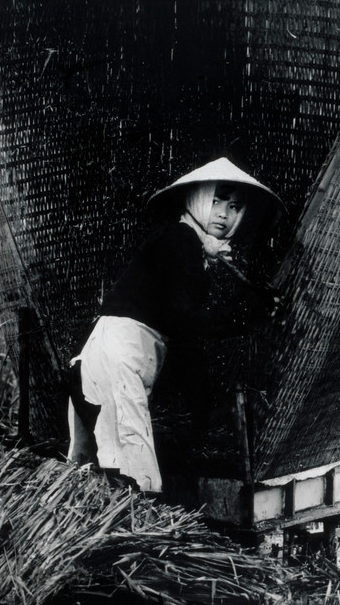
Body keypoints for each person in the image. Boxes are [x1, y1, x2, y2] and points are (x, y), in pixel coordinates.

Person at [67, 157, 283, 491]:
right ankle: (137, 536)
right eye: (215, 200)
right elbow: (188, 326)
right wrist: (249, 313)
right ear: (195, 198)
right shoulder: (181, 241)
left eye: (235, 206)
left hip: (102, 361)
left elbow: (183, 332)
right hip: (118, 363)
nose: (224, 215)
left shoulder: (187, 244)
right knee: (136, 475)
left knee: (94, 469)